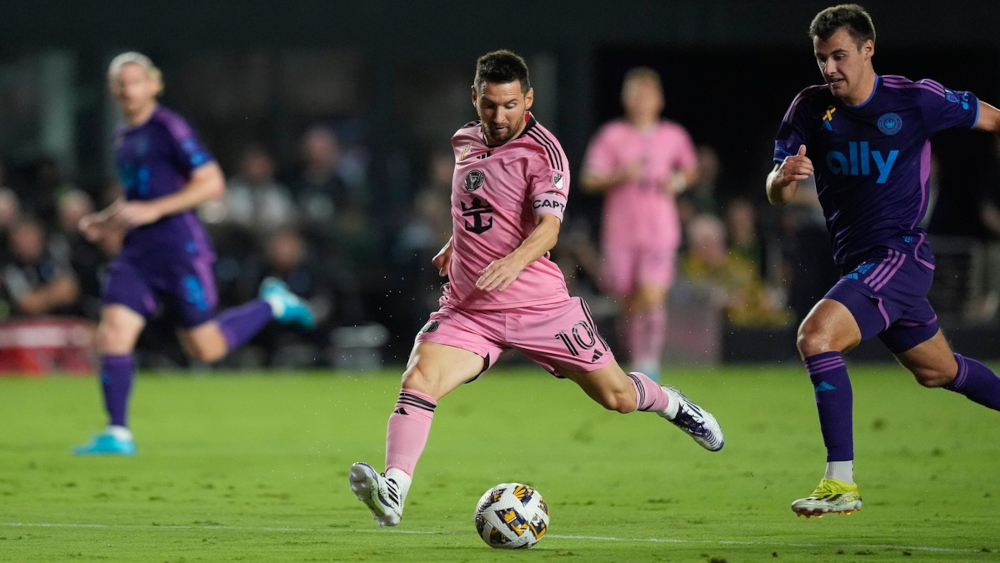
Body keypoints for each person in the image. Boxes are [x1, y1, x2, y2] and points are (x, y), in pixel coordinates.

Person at [348, 50, 724, 528]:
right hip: (471, 308)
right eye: (489, 105)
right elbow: (479, 206)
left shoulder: (545, 153)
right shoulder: (464, 139)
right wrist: (454, 243)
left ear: (528, 98)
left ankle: (674, 404)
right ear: (475, 98)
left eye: (510, 105)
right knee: (419, 381)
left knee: (618, 399)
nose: (500, 117)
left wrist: (513, 261)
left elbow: (549, 229)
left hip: (540, 306)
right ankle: (394, 490)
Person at [766, 4, 1000, 517]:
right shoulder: (808, 107)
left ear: (868, 50)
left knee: (814, 336)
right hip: (859, 262)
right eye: (822, 58)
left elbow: (991, 118)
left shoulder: (915, 99)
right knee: (939, 372)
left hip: (900, 254)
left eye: (840, 56)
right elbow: (774, 189)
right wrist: (783, 181)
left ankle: (841, 482)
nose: (830, 69)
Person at [71, 52, 315, 456]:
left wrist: (153, 210)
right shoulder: (123, 135)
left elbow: (211, 182)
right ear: (113, 90)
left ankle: (273, 304)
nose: (128, 89)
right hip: (137, 253)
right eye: (121, 83)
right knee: (112, 331)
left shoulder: (169, 127)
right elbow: (140, 198)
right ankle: (117, 432)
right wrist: (107, 219)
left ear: (154, 84)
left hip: (180, 250)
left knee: (206, 348)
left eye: (136, 81)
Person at [581, 67, 698, 381]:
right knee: (627, 297)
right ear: (625, 99)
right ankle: (633, 354)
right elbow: (589, 179)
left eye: (647, 94)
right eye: (635, 94)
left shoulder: (673, 135)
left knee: (651, 293)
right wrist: (619, 175)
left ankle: (648, 363)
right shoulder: (611, 136)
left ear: (658, 99)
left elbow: (690, 169)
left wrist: (677, 181)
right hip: (620, 233)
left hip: (660, 230)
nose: (641, 101)